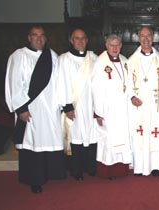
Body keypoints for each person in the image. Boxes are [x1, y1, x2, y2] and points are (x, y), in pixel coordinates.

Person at [5, 26, 67, 193]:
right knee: (32, 143)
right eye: (35, 35)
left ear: (46, 38)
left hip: (50, 108)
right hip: (30, 109)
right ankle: (34, 179)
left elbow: (59, 81)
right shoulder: (18, 56)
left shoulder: (52, 56)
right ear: (29, 37)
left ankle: (50, 173)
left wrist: (61, 104)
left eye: (42, 36)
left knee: (48, 140)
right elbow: (14, 84)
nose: (39, 38)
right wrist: (21, 109)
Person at [127, 26, 159, 177]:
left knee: (156, 134)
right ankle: (140, 166)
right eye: (142, 36)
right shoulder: (131, 60)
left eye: (148, 36)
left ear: (153, 37)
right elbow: (127, 83)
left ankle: (156, 166)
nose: (146, 39)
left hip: (156, 107)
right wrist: (132, 97)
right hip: (139, 106)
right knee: (140, 134)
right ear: (138, 38)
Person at [57, 28, 98, 180]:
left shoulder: (92, 57)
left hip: (91, 105)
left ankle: (91, 167)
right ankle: (77, 170)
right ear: (71, 40)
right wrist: (67, 106)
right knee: (76, 136)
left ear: (87, 40)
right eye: (77, 38)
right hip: (75, 106)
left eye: (83, 38)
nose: (80, 41)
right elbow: (61, 83)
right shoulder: (64, 59)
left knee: (91, 136)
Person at [91, 34, 132, 180]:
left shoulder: (125, 61)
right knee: (108, 140)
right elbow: (95, 89)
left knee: (122, 139)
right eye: (111, 45)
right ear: (106, 46)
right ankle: (108, 171)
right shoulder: (100, 63)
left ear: (121, 45)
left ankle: (121, 170)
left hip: (123, 110)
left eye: (117, 45)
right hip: (107, 110)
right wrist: (98, 112)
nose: (115, 48)